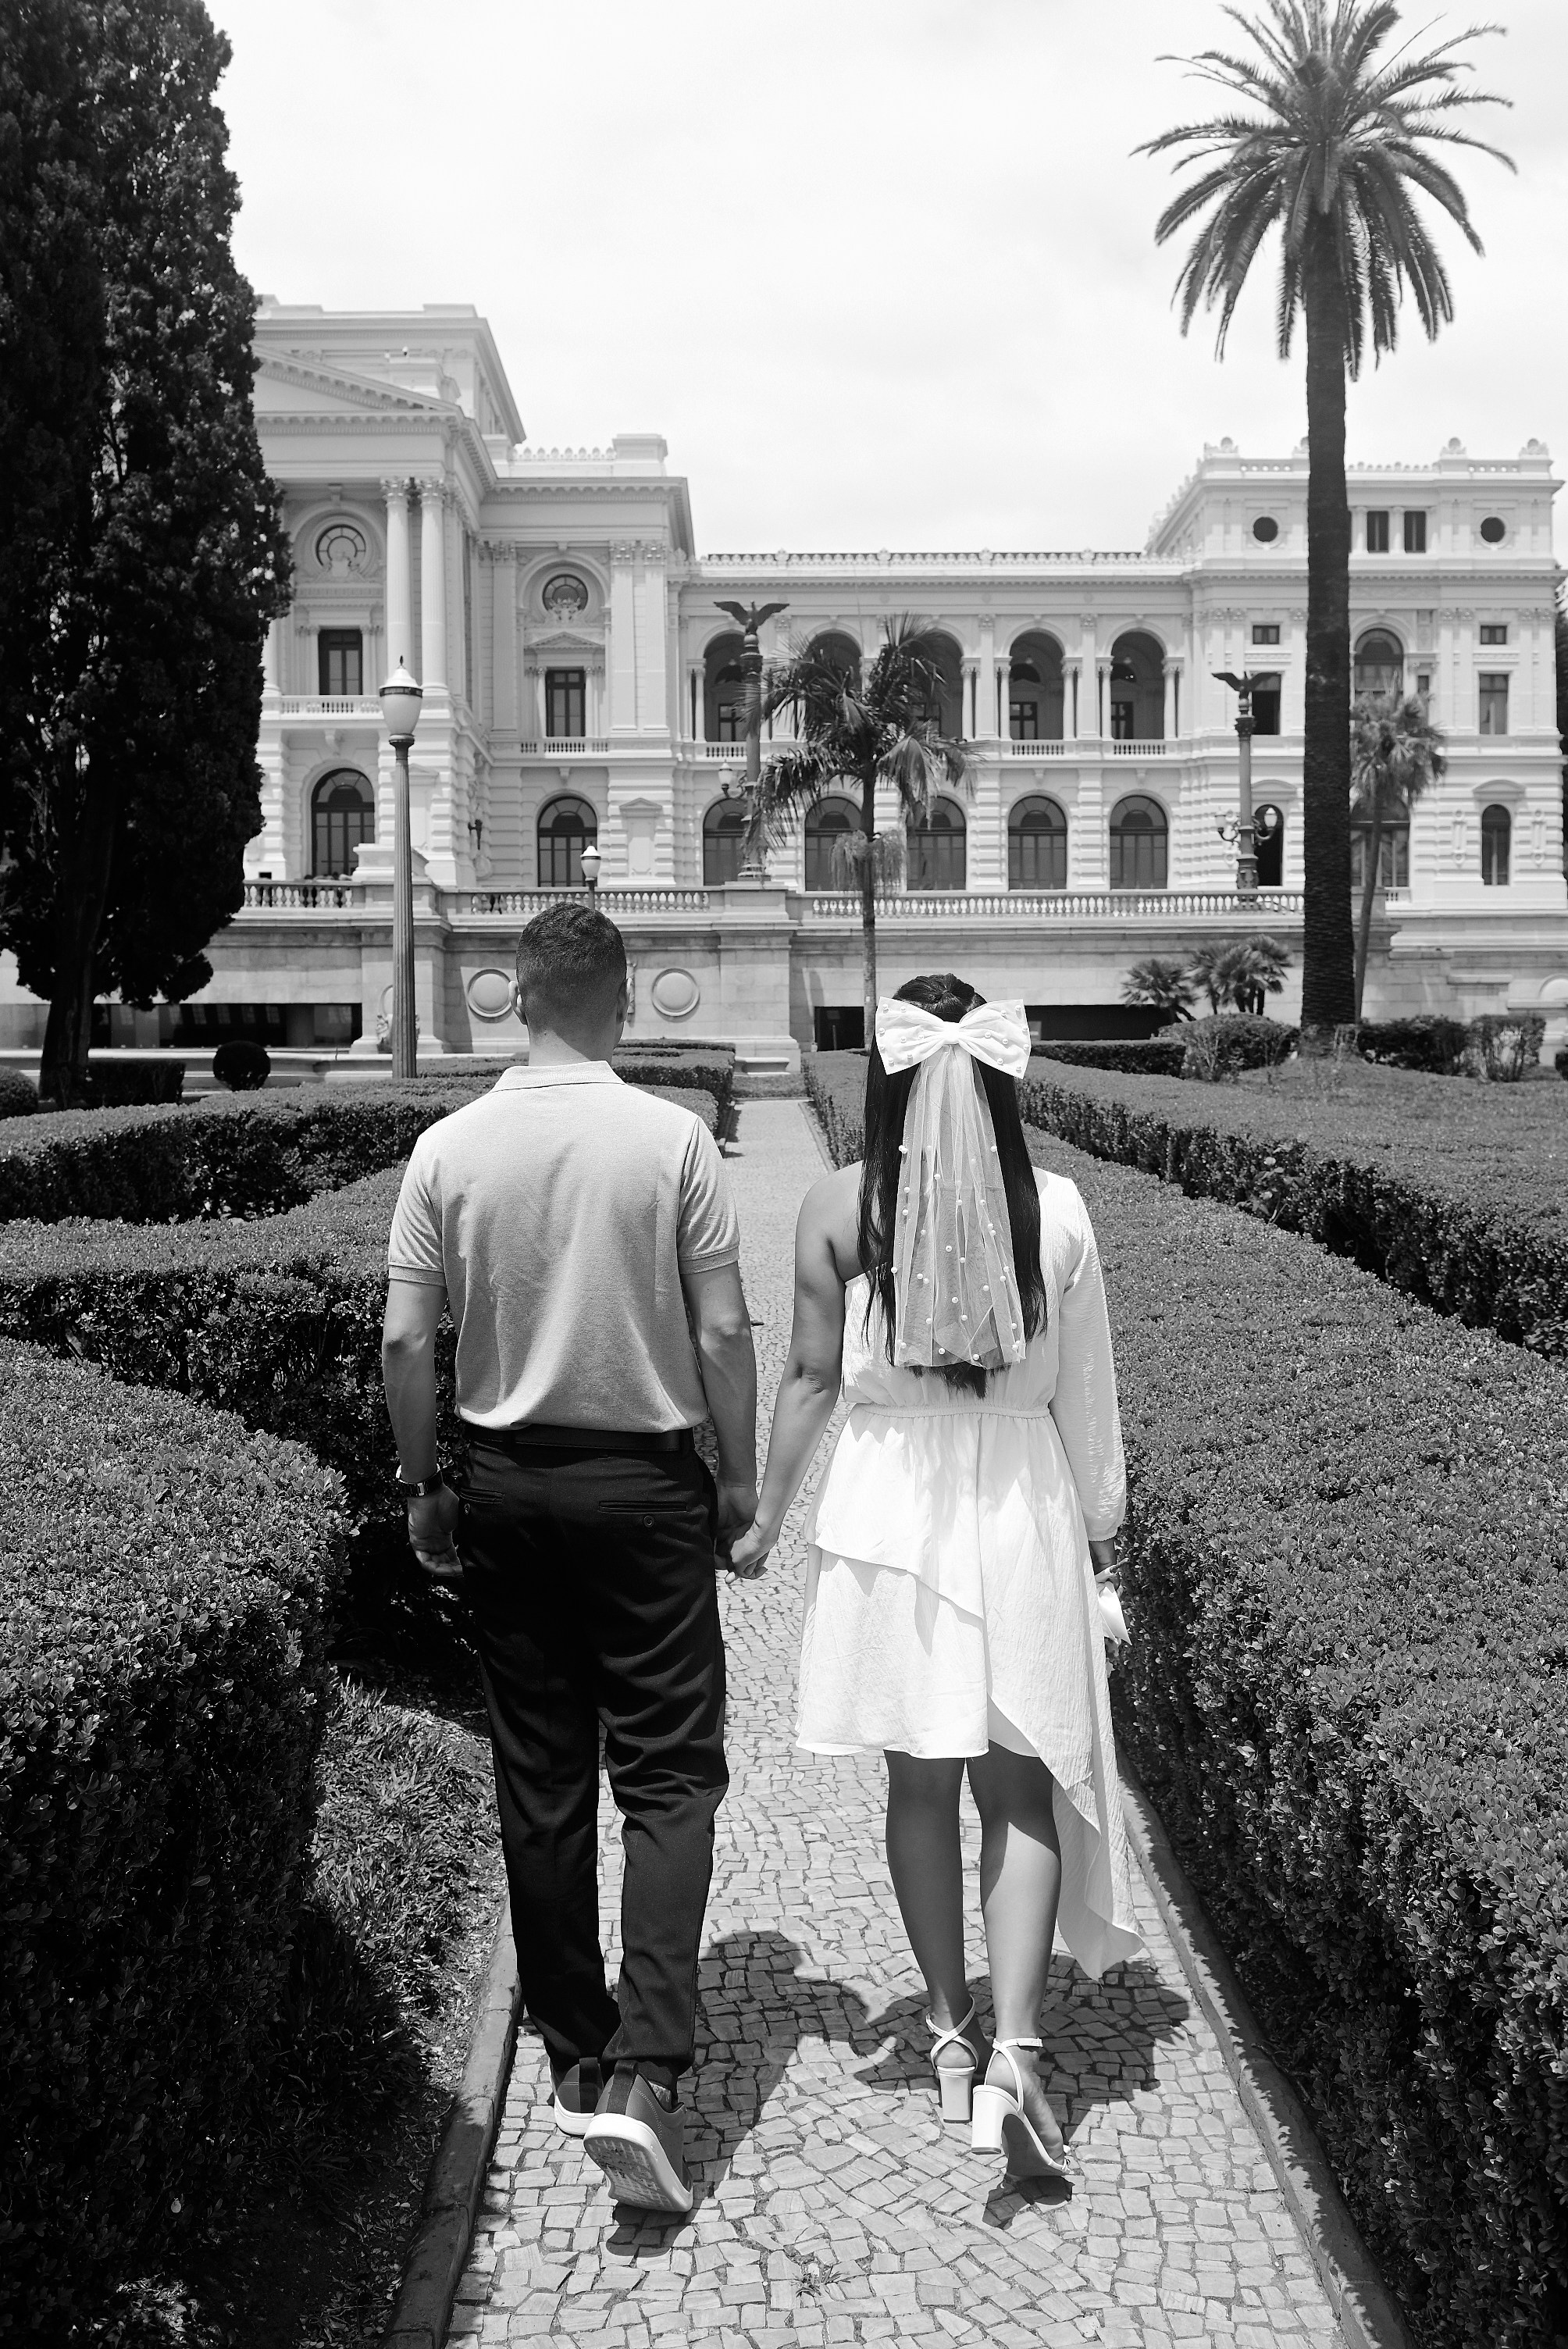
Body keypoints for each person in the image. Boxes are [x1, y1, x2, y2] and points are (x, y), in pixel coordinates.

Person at [730, 974, 1142, 2180]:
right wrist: (1102, 1532)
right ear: (1003, 1080)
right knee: (1020, 1793)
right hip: (1018, 1503)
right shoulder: (1056, 1209)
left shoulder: (839, 1205)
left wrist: (760, 1524)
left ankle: (951, 2035)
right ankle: (1018, 2052)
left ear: (889, 1077)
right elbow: (1087, 1394)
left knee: (920, 1789)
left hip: (891, 1509)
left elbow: (807, 1380)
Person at [380, 901, 757, 2217]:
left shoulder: (446, 1146)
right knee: (669, 1776)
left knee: (540, 1776)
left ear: (516, 997)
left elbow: (407, 1347)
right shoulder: (674, 1139)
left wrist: (426, 1486)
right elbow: (721, 1335)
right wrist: (743, 1479)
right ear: (616, 1001)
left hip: (504, 1481)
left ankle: (575, 2050)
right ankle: (651, 2075)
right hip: (645, 1486)